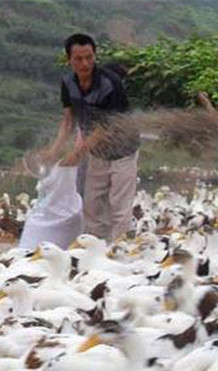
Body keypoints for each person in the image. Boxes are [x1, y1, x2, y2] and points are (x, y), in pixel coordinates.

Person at [42, 33, 138, 242]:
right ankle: (95, 252)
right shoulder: (68, 83)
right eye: (78, 59)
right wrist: (55, 149)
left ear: (95, 56)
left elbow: (105, 126)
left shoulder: (109, 83)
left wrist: (78, 153)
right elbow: (68, 120)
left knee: (119, 207)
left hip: (123, 151)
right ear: (69, 60)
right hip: (97, 153)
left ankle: (118, 254)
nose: (85, 63)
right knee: (92, 206)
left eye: (89, 57)